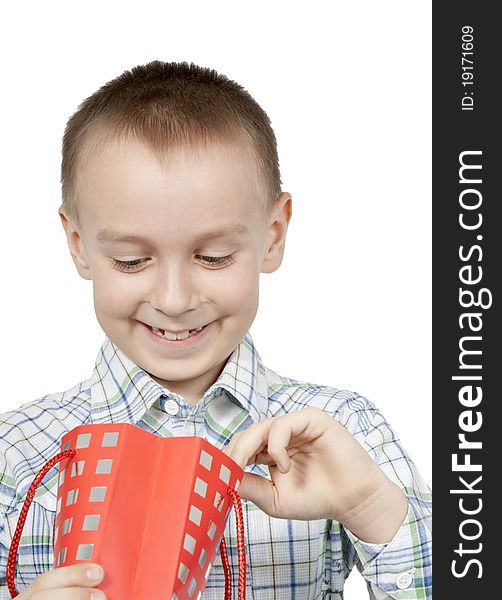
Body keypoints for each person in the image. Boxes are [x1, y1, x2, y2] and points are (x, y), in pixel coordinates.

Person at [0, 60, 431, 600]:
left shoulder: (342, 433)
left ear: (272, 236)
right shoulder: (14, 456)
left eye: (213, 256)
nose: (175, 300)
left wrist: (372, 509)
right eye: (132, 261)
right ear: (78, 244)